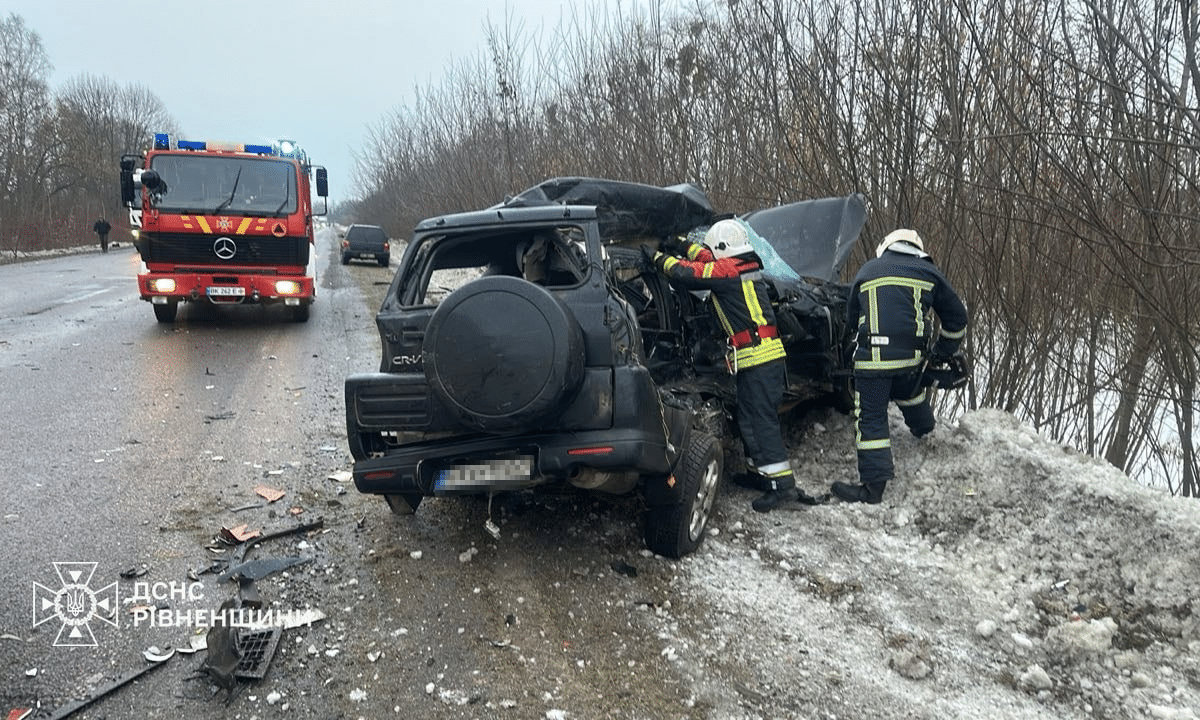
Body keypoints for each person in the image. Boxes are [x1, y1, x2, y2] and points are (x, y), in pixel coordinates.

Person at [650, 218, 814, 513]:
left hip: (760, 359)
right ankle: (759, 474)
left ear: (724, 248)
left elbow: (688, 273)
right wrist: (681, 244)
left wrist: (657, 257)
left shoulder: (728, 271)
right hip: (760, 358)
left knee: (761, 420)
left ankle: (782, 486)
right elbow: (706, 258)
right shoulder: (742, 265)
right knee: (749, 416)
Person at [831, 228, 968, 504]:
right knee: (909, 390)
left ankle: (872, 488)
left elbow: (850, 317)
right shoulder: (930, 273)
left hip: (873, 362)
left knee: (870, 416)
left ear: (886, 247)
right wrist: (942, 352)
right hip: (911, 361)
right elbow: (957, 318)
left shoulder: (867, 270)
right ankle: (924, 430)